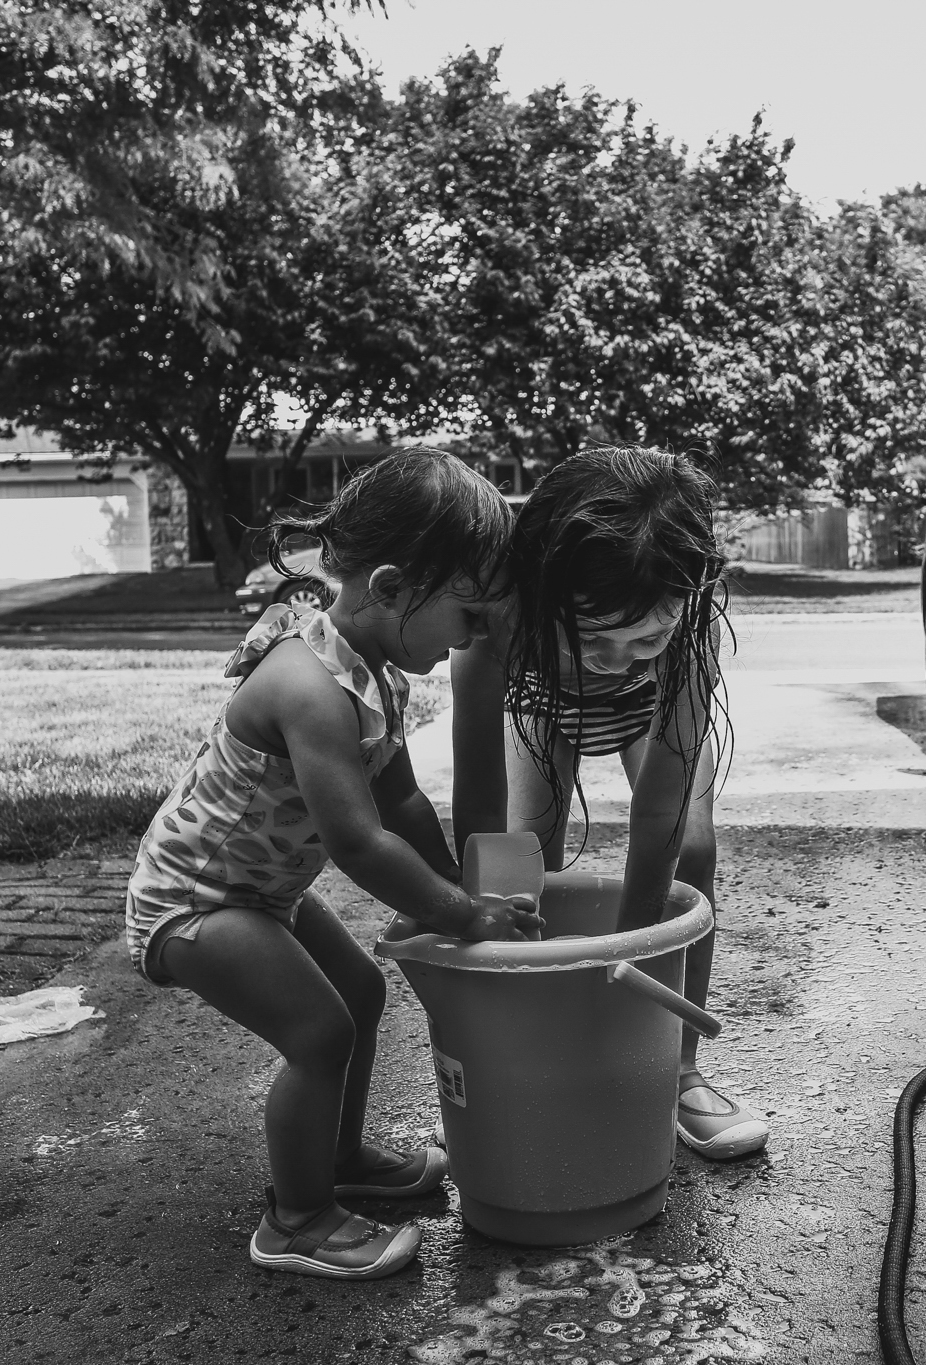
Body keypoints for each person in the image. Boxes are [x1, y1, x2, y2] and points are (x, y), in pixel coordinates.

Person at [124, 448, 543, 1281]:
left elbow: (406, 807)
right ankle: (298, 1217)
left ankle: (339, 1158)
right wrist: (461, 916)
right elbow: (357, 841)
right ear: (391, 587)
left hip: (259, 890)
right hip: (195, 901)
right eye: (468, 614)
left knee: (361, 990)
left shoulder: (371, 674)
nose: (477, 636)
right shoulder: (310, 685)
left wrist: (457, 884)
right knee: (321, 1031)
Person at [447, 446, 768, 1160]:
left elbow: (661, 810)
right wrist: (480, 913)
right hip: (542, 702)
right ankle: (525, 1058)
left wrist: (629, 959)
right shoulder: (499, 619)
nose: (622, 655)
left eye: (646, 636)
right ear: (542, 590)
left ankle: (676, 1068)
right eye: (597, 638)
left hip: (647, 712)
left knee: (691, 848)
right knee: (524, 857)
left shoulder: (686, 633)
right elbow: (478, 804)